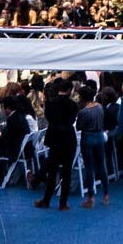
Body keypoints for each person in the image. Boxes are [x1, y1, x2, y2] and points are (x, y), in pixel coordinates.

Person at [35, 77, 78, 210]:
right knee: (67, 172)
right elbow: (72, 119)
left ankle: (46, 200)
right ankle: (63, 203)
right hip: (68, 138)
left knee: (52, 171)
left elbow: (48, 118)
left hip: (54, 138)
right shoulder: (73, 104)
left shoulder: (50, 103)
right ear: (69, 90)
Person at [77, 85, 110, 207]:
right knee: (102, 165)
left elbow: (79, 127)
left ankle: (90, 197)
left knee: (89, 167)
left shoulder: (83, 112)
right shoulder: (100, 107)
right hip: (99, 137)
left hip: (88, 138)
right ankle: (106, 194)